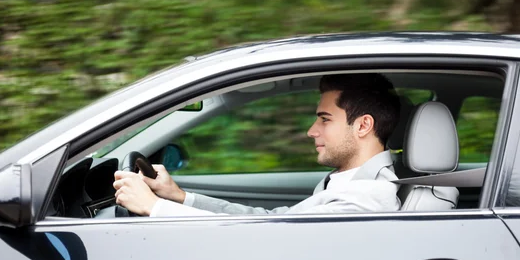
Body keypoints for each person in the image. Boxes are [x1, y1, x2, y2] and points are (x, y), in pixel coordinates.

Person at [113, 73, 402, 216]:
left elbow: (261, 240)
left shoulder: (363, 200)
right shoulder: (348, 184)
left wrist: (154, 207)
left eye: (324, 120)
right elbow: (273, 222)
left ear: (363, 125)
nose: (311, 131)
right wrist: (178, 196)